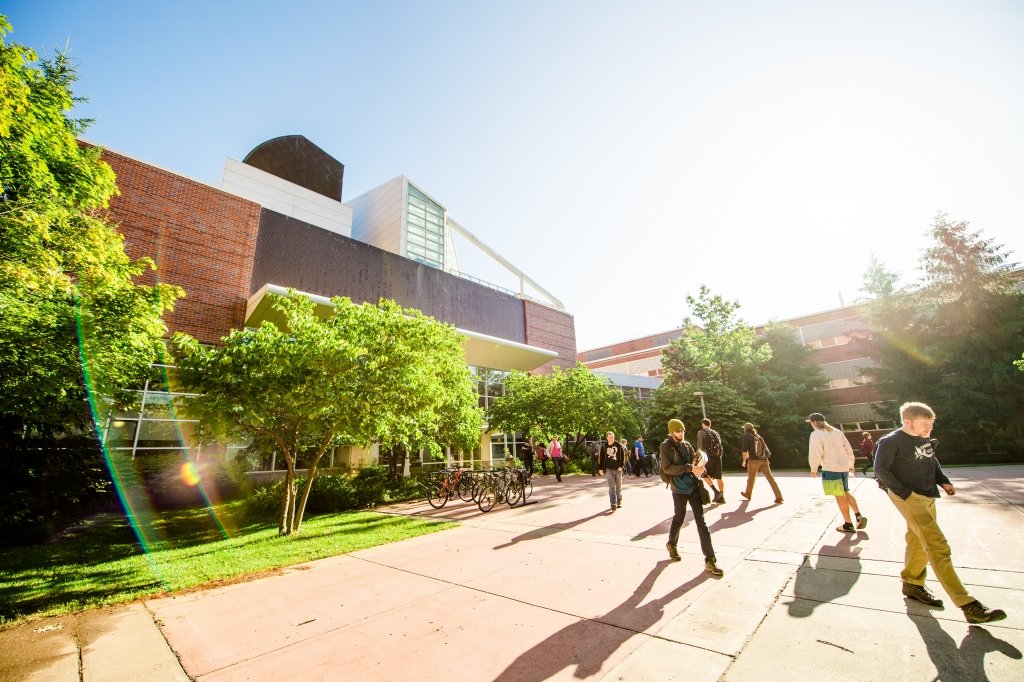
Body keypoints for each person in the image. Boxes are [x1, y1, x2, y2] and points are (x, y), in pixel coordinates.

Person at [874, 401, 1007, 624]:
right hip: (909, 497)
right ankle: (968, 605)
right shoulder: (891, 441)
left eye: (931, 424)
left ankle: (912, 583)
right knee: (937, 546)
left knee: (918, 540)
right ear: (908, 421)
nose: (928, 428)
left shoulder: (922, 438)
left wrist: (942, 481)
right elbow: (881, 470)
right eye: (924, 423)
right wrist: (905, 494)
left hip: (927, 495)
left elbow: (931, 459)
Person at [659, 419, 723, 576]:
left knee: (702, 523)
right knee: (679, 518)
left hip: (693, 487)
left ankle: (710, 560)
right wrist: (689, 468)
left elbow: (695, 461)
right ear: (671, 431)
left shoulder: (687, 445)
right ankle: (671, 544)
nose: (681, 433)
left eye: (682, 431)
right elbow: (667, 468)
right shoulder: (665, 446)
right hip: (678, 490)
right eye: (678, 431)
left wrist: (700, 467)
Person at [807, 413, 867, 533]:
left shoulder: (815, 434)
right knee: (845, 492)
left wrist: (813, 469)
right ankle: (858, 515)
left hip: (830, 468)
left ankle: (848, 524)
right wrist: (851, 464)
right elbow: (848, 449)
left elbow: (815, 452)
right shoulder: (838, 432)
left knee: (840, 496)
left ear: (813, 422)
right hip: (843, 467)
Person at [740, 423, 783, 503]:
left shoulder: (746, 436)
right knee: (770, 479)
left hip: (753, 461)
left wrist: (744, 461)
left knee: (751, 478)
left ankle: (748, 494)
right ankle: (779, 497)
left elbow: (744, 450)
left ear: (746, 429)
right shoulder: (758, 436)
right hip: (764, 460)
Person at [696, 418, 725, 503]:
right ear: (710, 424)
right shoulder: (715, 433)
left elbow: (700, 447)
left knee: (703, 474)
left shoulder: (701, 432)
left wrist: (698, 459)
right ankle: (722, 496)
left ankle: (716, 492)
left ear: (702, 424)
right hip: (718, 457)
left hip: (708, 457)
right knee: (719, 477)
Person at [598, 431, 627, 511]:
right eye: (610, 437)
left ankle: (619, 501)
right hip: (608, 469)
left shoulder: (619, 445)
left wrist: (621, 466)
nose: (611, 438)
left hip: (618, 469)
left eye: (613, 437)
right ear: (607, 438)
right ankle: (613, 503)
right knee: (611, 487)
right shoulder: (604, 446)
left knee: (618, 486)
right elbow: (601, 458)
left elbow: (624, 456)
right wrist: (600, 468)